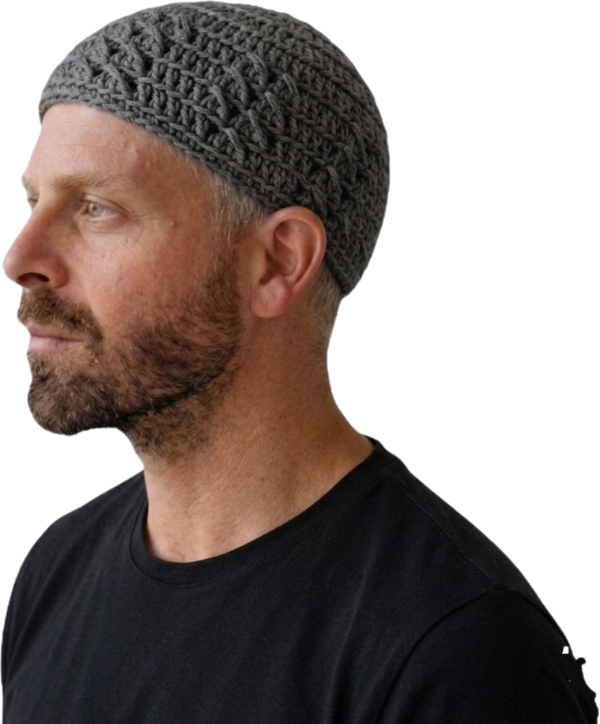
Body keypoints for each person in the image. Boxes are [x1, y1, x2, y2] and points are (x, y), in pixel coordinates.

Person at [0, 1, 597, 721]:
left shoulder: (457, 651)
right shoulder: (56, 570)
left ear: (278, 262)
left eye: (96, 207)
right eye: (32, 201)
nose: (19, 258)